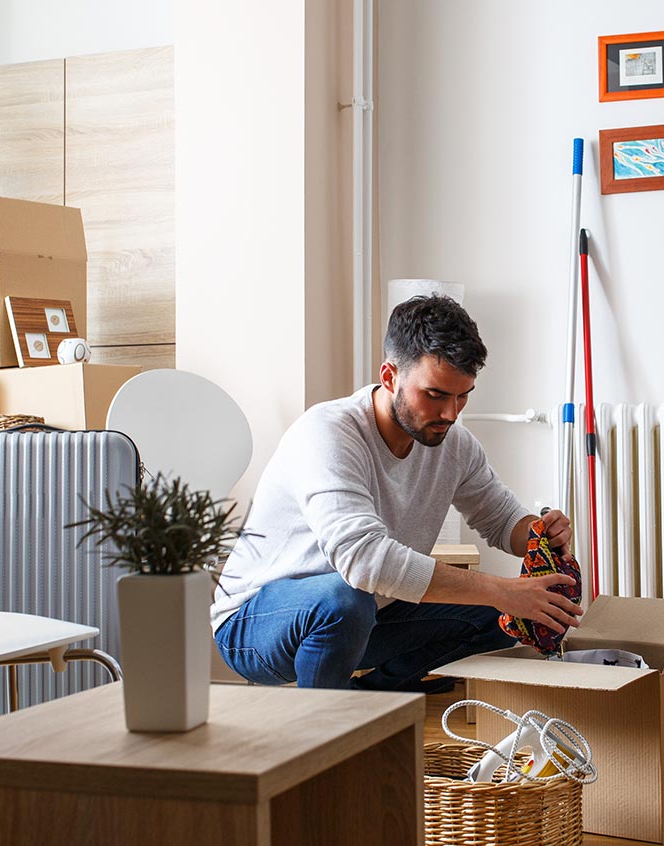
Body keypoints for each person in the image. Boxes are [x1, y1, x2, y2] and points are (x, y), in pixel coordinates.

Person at [212, 295, 583, 691]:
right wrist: (502, 590)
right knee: (344, 599)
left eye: (463, 395)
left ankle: (374, 700)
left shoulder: (455, 443)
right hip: (254, 623)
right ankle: (323, 729)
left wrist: (540, 532)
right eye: (436, 395)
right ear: (390, 377)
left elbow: (501, 519)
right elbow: (363, 560)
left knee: (500, 619)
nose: (451, 413)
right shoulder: (327, 432)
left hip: (365, 612)